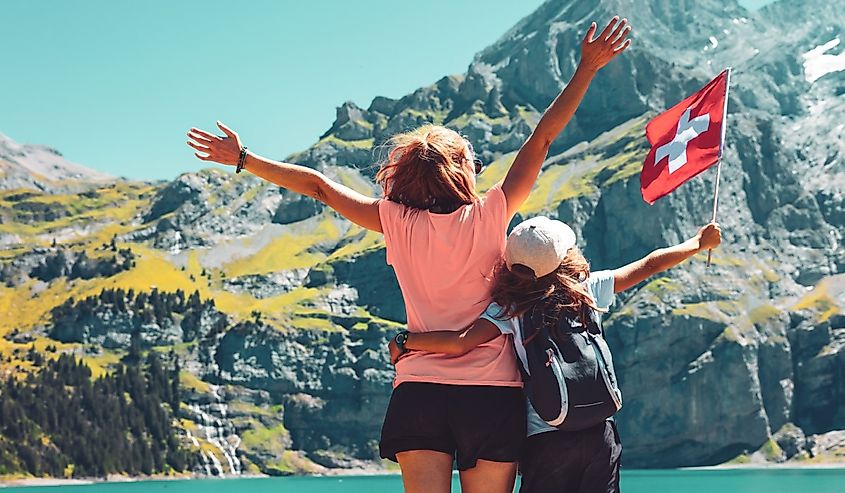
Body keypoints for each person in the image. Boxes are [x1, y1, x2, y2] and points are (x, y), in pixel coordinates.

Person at [187, 17, 631, 493]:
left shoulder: (395, 222)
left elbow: (317, 186)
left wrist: (243, 158)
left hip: (418, 389)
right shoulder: (491, 213)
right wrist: (586, 68)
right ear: (460, 169)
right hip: (490, 393)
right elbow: (542, 137)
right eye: (473, 160)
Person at [388, 217, 722, 492]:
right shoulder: (586, 289)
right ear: (565, 257)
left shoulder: (510, 308)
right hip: (598, 432)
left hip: (546, 434)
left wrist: (407, 341)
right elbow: (649, 263)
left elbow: (461, 342)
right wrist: (697, 243)